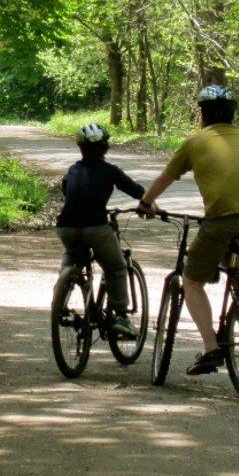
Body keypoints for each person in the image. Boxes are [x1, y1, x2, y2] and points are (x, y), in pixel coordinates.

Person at [138, 84, 239, 375]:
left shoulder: (195, 142)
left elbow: (167, 177)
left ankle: (211, 349)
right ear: (233, 114)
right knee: (231, 246)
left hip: (226, 218)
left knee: (191, 280)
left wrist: (146, 202)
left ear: (202, 113)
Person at [56, 122, 146, 338]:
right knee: (115, 268)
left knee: (72, 256)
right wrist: (147, 204)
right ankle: (122, 317)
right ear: (106, 148)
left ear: (81, 148)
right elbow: (136, 191)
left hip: (66, 228)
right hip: (96, 227)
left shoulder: (73, 170)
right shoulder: (110, 171)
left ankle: (61, 296)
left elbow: (67, 190)